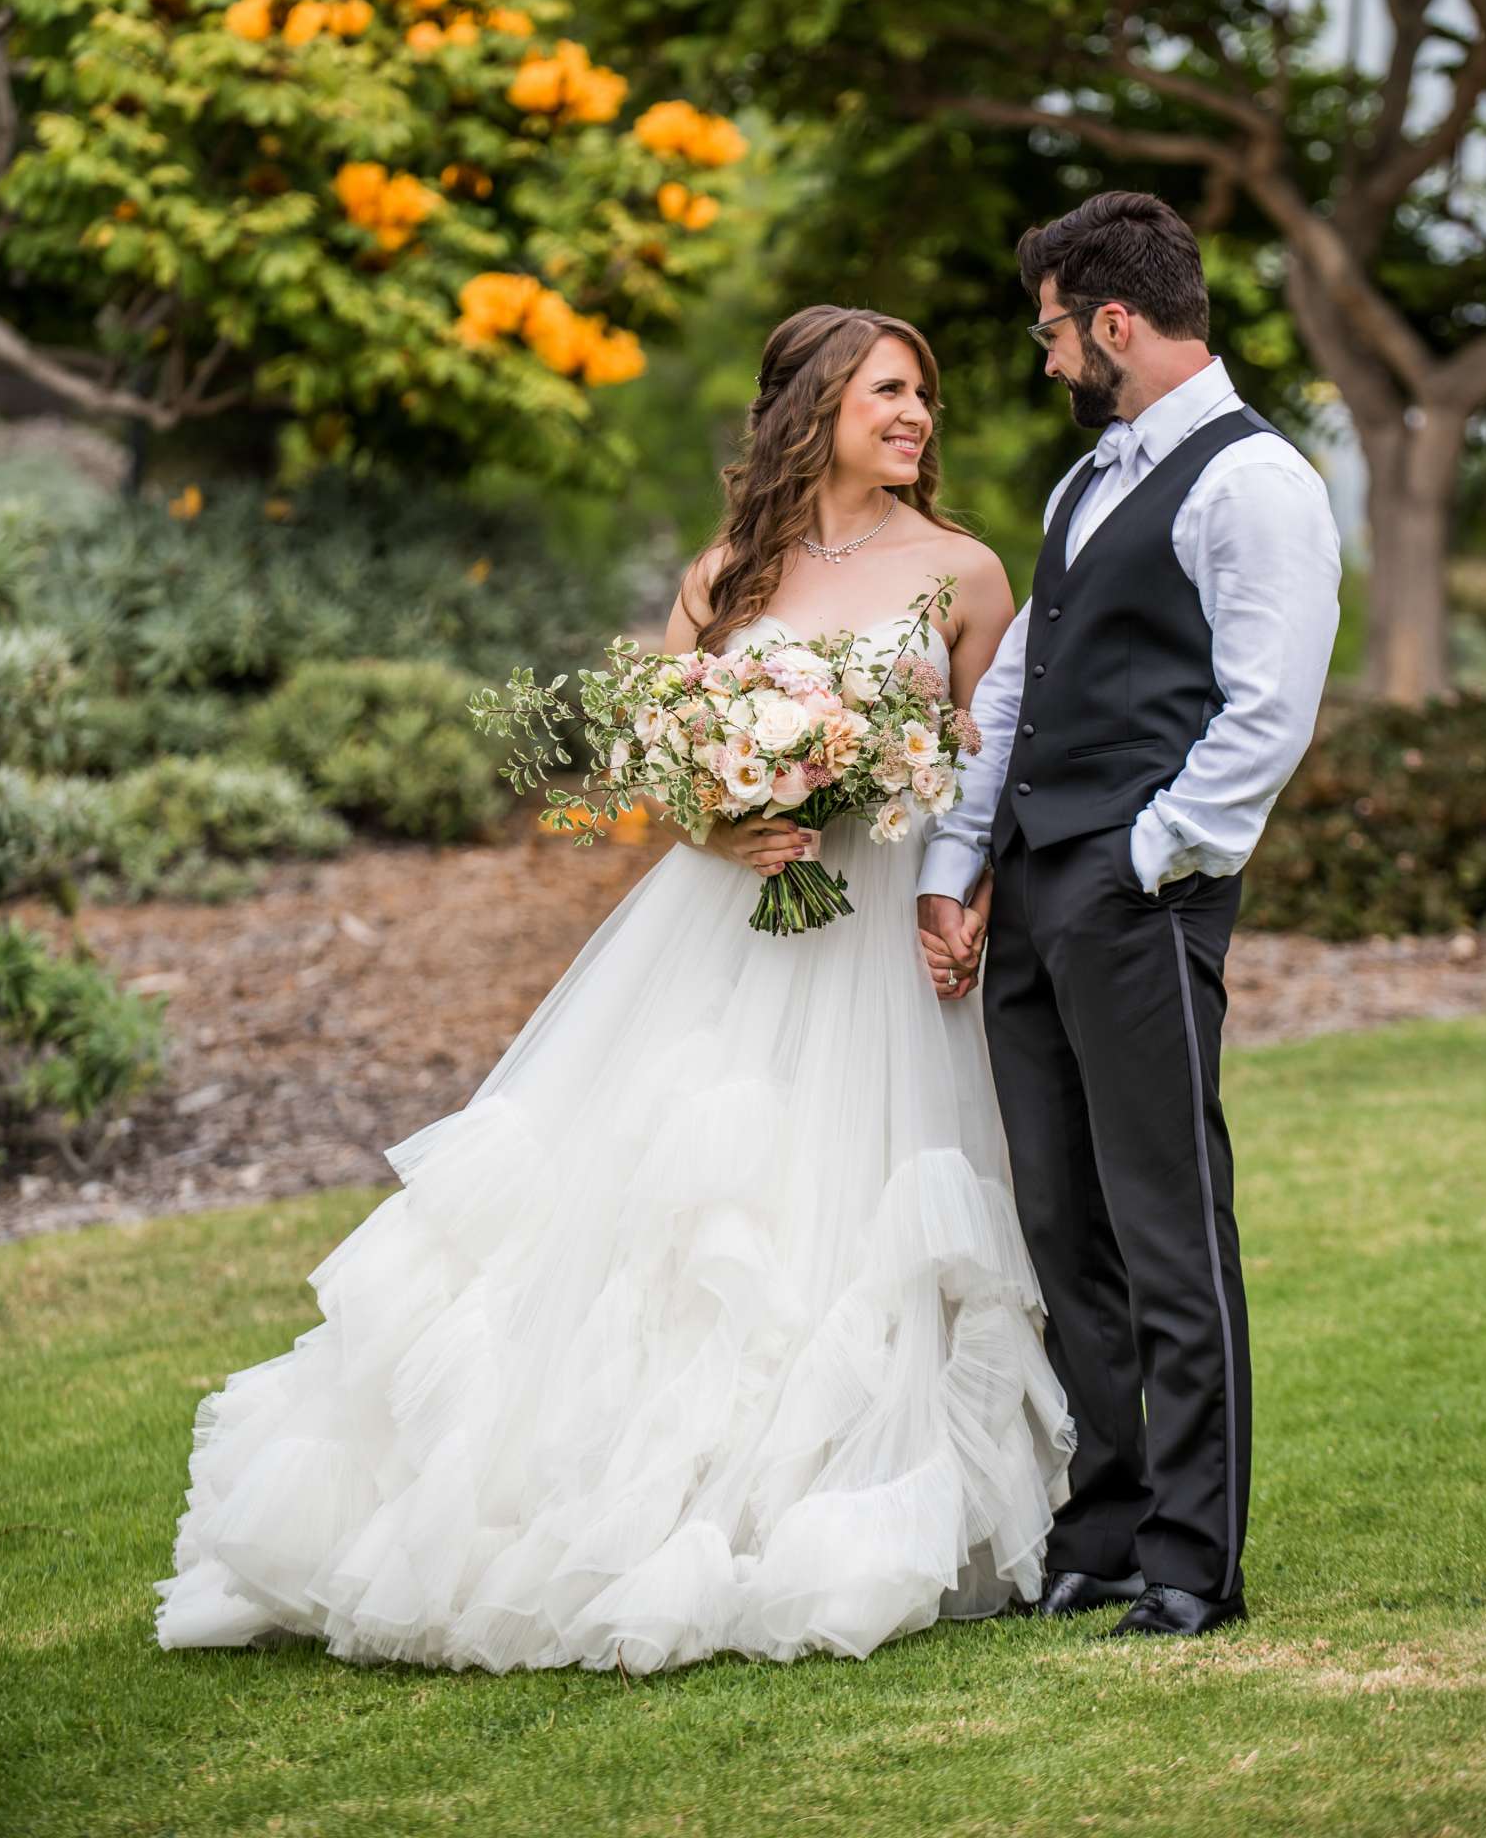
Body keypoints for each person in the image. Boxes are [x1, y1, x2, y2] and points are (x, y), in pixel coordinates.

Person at [155, 305, 1075, 1677]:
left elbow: (987, 770)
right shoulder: (724, 575)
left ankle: (851, 1502)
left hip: (883, 935)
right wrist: (724, 821)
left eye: (923, 397)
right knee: (686, 1202)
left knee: (868, 1191)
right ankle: (600, 1503)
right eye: (890, 391)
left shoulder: (964, 573)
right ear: (815, 401)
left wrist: (967, 898)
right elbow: (661, 771)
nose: (917, 417)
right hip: (726, 932)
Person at [918, 191, 1341, 1637]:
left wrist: (1151, 855)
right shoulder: (1083, 479)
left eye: (1048, 330)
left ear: (1112, 320)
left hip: (1137, 891)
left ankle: (1189, 1559)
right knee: (1060, 1220)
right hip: (1037, 889)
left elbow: (1266, 711)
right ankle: (1100, 1525)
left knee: (1166, 1220)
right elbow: (1023, 689)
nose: (1042, 361)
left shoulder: (1254, 482)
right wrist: (956, 866)